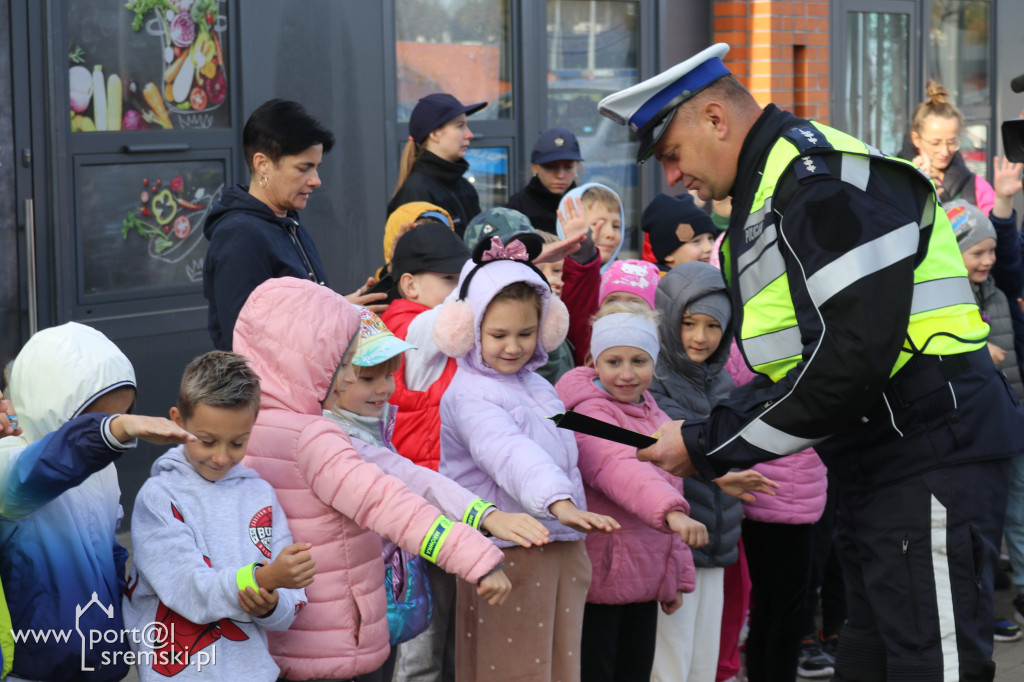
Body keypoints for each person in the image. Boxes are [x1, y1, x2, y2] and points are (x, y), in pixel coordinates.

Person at [601, 42, 1024, 680]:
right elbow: (798, 366)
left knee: (931, 663)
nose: (670, 175)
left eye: (670, 153)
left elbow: (848, 360)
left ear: (716, 119)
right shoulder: (777, 184)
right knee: (872, 652)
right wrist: (701, 435)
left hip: (927, 450)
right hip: (885, 455)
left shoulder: (813, 180)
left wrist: (708, 444)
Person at [233, 277, 510, 682]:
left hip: (279, 633)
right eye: (341, 364)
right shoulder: (314, 437)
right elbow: (388, 502)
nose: (346, 378)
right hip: (336, 642)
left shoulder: (248, 425)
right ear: (304, 360)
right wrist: (476, 557)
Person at [432, 232, 620, 681]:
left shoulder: (538, 385)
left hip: (557, 540)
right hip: (509, 550)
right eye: (498, 334)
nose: (513, 346)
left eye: (526, 333)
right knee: (514, 668)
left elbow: (576, 445)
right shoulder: (470, 394)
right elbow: (508, 453)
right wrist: (559, 501)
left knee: (557, 662)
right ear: (468, 328)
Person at [325, 307, 548, 682]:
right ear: (329, 375)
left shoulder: (364, 427)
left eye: (388, 375)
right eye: (368, 377)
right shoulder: (340, 442)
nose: (385, 388)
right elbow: (411, 487)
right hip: (343, 609)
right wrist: (484, 525)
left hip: (371, 594)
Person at [0, 322, 195, 682]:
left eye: (122, 414)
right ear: (52, 405)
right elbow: (40, 472)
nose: (115, 426)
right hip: (34, 665)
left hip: (100, 659)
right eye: (101, 418)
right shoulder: (11, 460)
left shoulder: (101, 470)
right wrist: (114, 431)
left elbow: (108, 550)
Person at [123, 351, 314, 680]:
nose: (222, 457)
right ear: (178, 421)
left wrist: (270, 605)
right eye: (207, 441)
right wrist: (264, 579)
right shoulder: (159, 497)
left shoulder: (261, 495)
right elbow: (190, 590)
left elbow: (290, 605)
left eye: (238, 443)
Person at [555, 300, 705, 681]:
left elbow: (673, 484)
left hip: (645, 580)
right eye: (614, 361)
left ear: (655, 363)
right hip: (602, 582)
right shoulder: (588, 414)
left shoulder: (658, 416)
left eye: (639, 361)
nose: (626, 373)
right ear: (594, 360)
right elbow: (619, 467)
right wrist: (673, 512)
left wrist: (673, 579)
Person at [203, 98, 383, 350]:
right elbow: (245, 341)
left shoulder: (285, 220)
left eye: (317, 167)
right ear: (262, 164)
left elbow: (293, 317)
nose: (316, 181)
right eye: (304, 168)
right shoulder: (239, 236)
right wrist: (338, 315)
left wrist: (342, 306)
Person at [647, 261, 746, 682]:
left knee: (703, 662)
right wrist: (720, 474)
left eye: (712, 326)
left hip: (718, 544)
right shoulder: (651, 383)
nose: (700, 337)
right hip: (674, 545)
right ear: (670, 319)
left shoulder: (724, 384)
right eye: (688, 323)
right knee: (670, 662)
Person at [389, 93, 486, 237]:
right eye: (460, 126)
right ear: (434, 134)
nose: (469, 134)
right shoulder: (416, 192)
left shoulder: (464, 186)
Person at [899, 80, 995, 214]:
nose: (945, 152)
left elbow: (997, 231)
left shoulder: (976, 187)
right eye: (935, 143)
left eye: (952, 143)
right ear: (916, 139)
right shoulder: (895, 180)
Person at [506, 127, 584, 234]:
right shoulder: (517, 207)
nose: (561, 175)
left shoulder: (587, 201)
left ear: (577, 167)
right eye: (551, 167)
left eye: (568, 167)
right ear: (534, 167)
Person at [641, 192, 717, 272]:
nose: (709, 248)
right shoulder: (663, 283)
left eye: (710, 239)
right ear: (668, 254)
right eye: (696, 241)